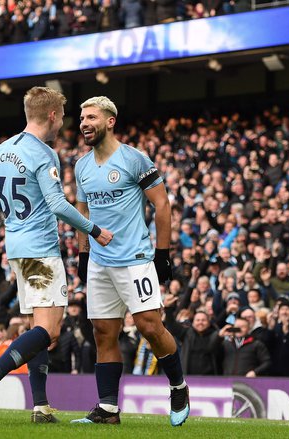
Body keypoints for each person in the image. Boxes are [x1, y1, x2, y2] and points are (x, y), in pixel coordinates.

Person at [0, 86, 113, 423]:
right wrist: (94, 231)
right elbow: (57, 204)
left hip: (16, 250)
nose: (63, 123)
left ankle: (40, 407)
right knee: (48, 331)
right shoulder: (44, 153)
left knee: (38, 328)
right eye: (62, 116)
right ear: (51, 115)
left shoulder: (2, 151)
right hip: (41, 251)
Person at [71, 96, 189, 426]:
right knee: (103, 334)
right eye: (81, 118)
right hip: (100, 262)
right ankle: (108, 410)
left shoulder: (134, 159)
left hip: (135, 258)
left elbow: (162, 205)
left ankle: (178, 386)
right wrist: (83, 253)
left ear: (110, 121)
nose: (84, 123)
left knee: (150, 327)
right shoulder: (81, 166)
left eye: (91, 117)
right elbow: (82, 212)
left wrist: (162, 254)